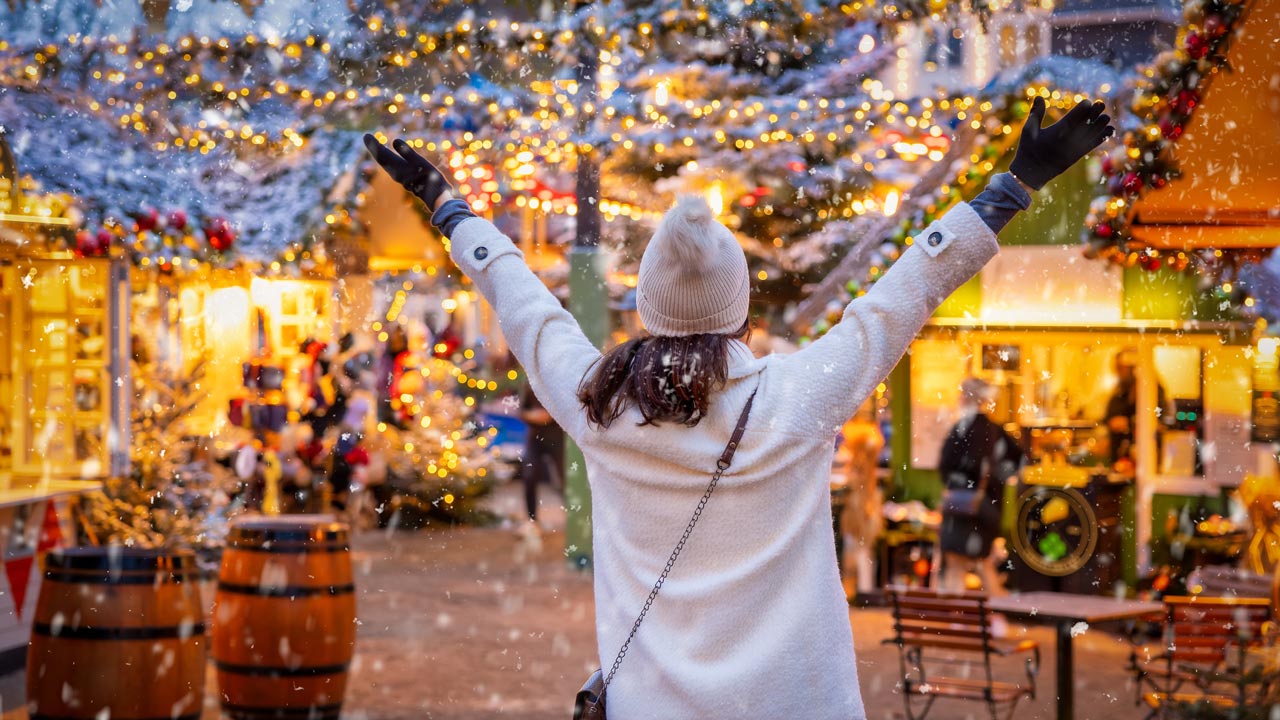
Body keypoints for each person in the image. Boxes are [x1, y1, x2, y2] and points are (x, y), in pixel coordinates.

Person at [365, 94, 1112, 720]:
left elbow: (525, 305)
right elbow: (904, 292)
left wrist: (449, 205)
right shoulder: (798, 397)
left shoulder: (599, 408)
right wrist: (1014, 184)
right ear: (741, 308)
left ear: (649, 309)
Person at [938, 377, 1024, 595]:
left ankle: (957, 620)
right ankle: (995, 619)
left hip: (962, 508)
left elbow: (946, 465)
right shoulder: (995, 430)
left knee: (957, 564)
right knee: (982, 563)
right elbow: (1018, 460)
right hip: (986, 508)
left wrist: (958, 482)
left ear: (967, 397)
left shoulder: (963, 429)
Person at [519, 381, 565, 534]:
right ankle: (532, 520)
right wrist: (533, 416)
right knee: (529, 476)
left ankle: (574, 515)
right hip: (535, 439)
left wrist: (550, 415)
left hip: (557, 440)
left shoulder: (558, 384)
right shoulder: (529, 384)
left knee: (565, 479)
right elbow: (521, 411)